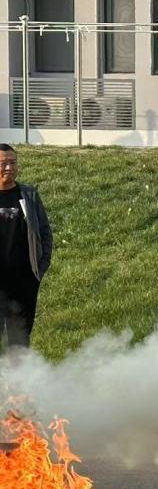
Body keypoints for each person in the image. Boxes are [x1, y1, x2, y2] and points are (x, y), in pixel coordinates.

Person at [0, 144, 51, 350]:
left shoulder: (28, 195)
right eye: (3, 163)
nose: (9, 168)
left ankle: (18, 372)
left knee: (19, 341)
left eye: (13, 163)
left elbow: (45, 233)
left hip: (23, 282)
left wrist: (39, 268)